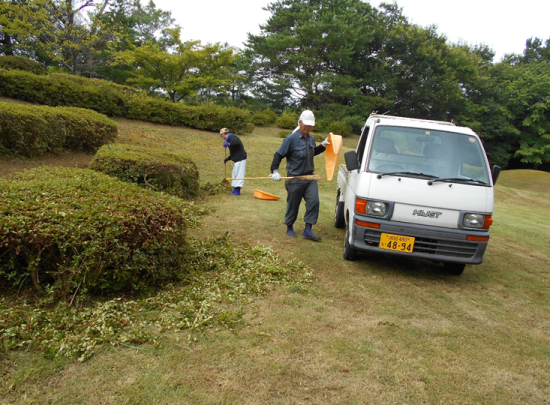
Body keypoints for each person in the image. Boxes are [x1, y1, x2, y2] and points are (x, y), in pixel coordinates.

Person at [270, 110, 330, 240]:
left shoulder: (311, 138)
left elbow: (311, 153)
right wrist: (275, 170)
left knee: (314, 202)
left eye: (311, 125)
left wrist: (323, 146)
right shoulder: (291, 139)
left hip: (310, 178)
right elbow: (279, 154)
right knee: (293, 204)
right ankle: (289, 227)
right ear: (300, 122)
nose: (308, 127)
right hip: (295, 178)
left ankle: (308, 230)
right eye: (306, 124)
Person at [221, 128, 247, 196]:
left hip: (240, 159)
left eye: (221, 135)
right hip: (237, 159)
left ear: (223, 134)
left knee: (239, 175)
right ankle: (235, 190)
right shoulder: (230, 139)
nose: (221, 137)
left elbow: (237, 143)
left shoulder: (232, 137)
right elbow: (233, 153)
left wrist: (228, 144)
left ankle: (237, 192)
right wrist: (227, 159)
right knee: (235, 174)